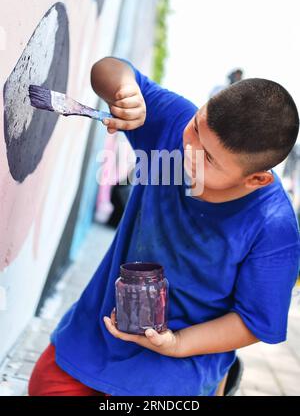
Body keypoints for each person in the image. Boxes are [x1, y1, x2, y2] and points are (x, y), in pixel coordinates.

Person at [28, 56, 300, 396]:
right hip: (97, 334)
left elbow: (253, 321)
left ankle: (219, 380)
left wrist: (177, 343)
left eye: (210, 159)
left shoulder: (274, 229)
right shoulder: (175, 123)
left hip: (179, 363)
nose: (189, 149)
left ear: (256, 179)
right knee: (42, 386)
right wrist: (125, 91)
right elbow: (108, 68)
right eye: (197, 126)